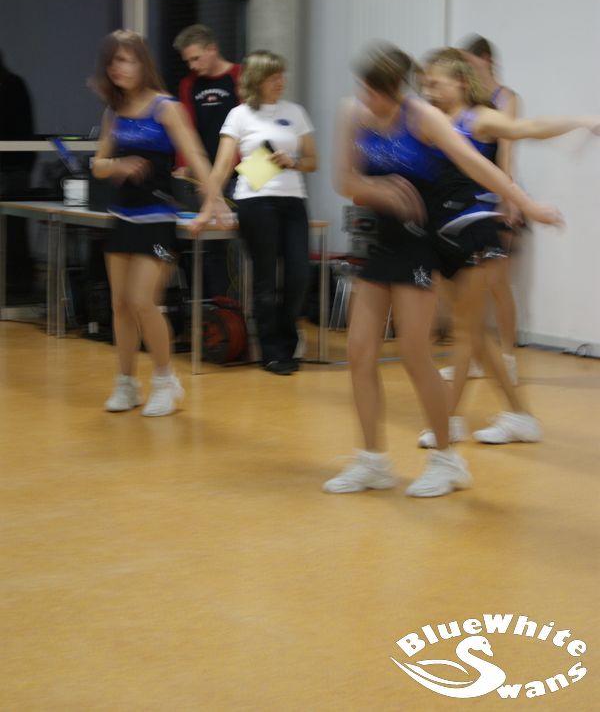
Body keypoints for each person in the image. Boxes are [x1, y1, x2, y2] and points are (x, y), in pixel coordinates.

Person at [322, 42, 561, 498]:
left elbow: (477, 165)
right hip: (379, 243)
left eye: (380, 93)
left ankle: (447, 461)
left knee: (415, 354)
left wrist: (527, 205)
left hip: (419, 245)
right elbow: (344, 181)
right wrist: (382, 190)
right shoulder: (352, 113)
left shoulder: (422, 118)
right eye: (366, 90)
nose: (371, 100)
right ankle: (372, 461)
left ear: (398, 90)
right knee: (359, 352)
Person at [416, 47, 598, 446]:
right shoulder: (432, 121)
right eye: (424, 84)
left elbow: (529, 128)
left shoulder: (479, 118)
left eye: (435, 83)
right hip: (441, 233)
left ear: (459, 82)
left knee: (465, 331)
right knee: (474, 333)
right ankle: (520, 416)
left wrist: (582, 121)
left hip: (475, 229)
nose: (428, 91)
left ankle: (450, 420)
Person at [90, 30, 214, 416]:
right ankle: (126, 383)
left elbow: (195, 155)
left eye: (126, 60)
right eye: (113, 62)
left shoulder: (166, 108)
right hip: (122, 217)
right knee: (120, 304)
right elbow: (98, 165)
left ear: (143, 63)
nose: (118, 68)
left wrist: (212, 202)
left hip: (158, 219)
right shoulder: (113, 112)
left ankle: (165, 381)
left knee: (144, 301)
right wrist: (117, 165)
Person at [191, 50, 318, 375]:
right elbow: (222, 166)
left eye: (282, 75)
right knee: (265, 279)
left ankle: (288, 340)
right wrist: (208, 207)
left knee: (299, 275)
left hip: (293, 201)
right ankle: (271, 351)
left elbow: (312, 161)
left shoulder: (296, 112)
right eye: (273, 77)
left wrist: (293, 162)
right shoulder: (239, 115)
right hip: (255, 201)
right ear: (257, 80)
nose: (281, 82)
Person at [173, 24, 242, 297]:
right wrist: (184, 167)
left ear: (212, 49)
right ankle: (217, 305)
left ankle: (240, 306)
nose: (193, 65)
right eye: (188, 61)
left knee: (238, 243)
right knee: (212, 246)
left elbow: (247, 129)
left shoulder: (239, 76)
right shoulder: (189, 84)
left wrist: (224, 174)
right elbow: (186, 130)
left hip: (238, 176)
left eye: (196, 58)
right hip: (203, 176)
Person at [0, 52, 36, 297]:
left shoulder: (12, 86)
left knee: (14, 231)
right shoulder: (14, 84)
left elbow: (21, 128)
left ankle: (18, 285)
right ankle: (18, 283)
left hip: (13, 166)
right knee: (15, 230)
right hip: (17, 166)